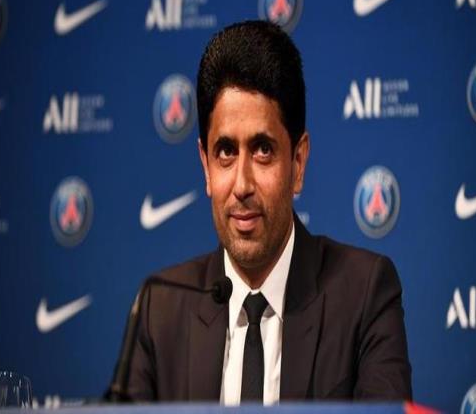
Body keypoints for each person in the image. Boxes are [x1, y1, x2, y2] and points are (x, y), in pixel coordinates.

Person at [125, 20, 412, 404]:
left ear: (298, 162)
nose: (242, 184)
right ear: (205, 166)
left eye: (263, 150)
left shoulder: (365, 294)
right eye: (226, 152)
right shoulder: (160, 309)